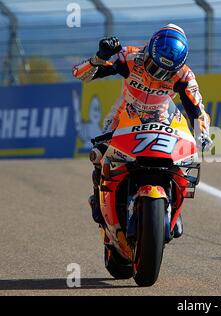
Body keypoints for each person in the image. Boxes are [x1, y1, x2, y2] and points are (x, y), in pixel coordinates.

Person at [72, 24, 213, 237]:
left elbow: (197, 110)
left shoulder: (184, 77)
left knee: (181, 163)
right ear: (148, 51)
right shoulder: (129, 57)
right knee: (99, 155)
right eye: (153, 66)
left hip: (164, 119)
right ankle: (98, 199)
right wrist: (99, 57)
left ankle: (173, 204)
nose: (156, 75)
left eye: (165, 73)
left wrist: (202, 133)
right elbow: (80, 74)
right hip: (123, 116)